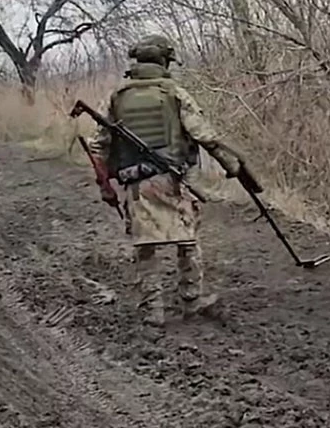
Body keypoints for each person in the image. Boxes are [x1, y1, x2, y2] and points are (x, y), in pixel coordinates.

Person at [86, 34, 252, 328]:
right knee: (187, 241)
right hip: (175, 179)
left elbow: (98, 146)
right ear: (164, 61)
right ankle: (191, 301)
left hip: (136, 184)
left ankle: (153, 311)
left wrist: (105, 185)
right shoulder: (174, 93)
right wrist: (232, 164)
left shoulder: (116, 97)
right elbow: (204, 135)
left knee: (144, 246)